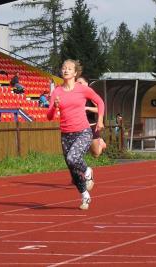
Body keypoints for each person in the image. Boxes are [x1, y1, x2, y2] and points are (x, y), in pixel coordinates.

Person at [47, 59, 104, 210]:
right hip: (66, 134)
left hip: (83, 132)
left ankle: (88, 171)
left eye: (69, 68)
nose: (65, 70)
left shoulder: (82, 89)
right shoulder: (57, 92)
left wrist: (100, 120)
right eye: (63, 68)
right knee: (72, 169)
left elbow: (100, 102)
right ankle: (85, 196)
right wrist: (55, 107)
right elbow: (49, 116)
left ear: (75, 73)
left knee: (73, 158)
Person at [76, 76, 107, 158]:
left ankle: (100, 142)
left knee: (96, 154)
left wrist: (87, 108)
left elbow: (99, 109)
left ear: (87, 84)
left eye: (80, 83)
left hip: (91, 126)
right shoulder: (76, 96)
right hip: (80, 127)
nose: (78, 85)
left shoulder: (90, 95)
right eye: (76, 83)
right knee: (78, 151)